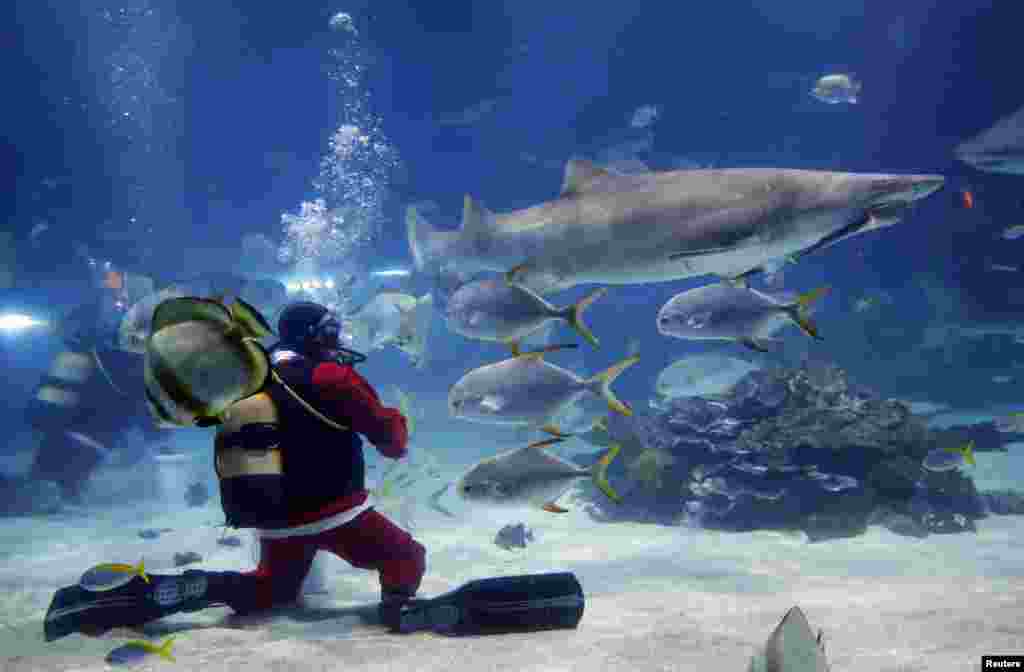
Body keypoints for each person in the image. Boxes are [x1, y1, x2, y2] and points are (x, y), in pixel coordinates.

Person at [46, 300, 425, 637]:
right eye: (332, 332)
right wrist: (397, 420)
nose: (337, 340)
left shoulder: (250, 374)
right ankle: (399, 612)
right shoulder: (331, 376)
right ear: (317, 336)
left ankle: (173, 591)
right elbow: (391, 441)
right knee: (406, 557)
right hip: (337, 513)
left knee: (270, 591)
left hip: (274, 517)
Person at [24, 261, 170, 502]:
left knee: (51, 470)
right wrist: (158, 438)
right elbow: (138, 396)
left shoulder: (93, 347)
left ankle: (46, 486)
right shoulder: (128, 356)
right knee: (63, 472)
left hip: (69, 424)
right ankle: (51, 489)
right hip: (91, 431)